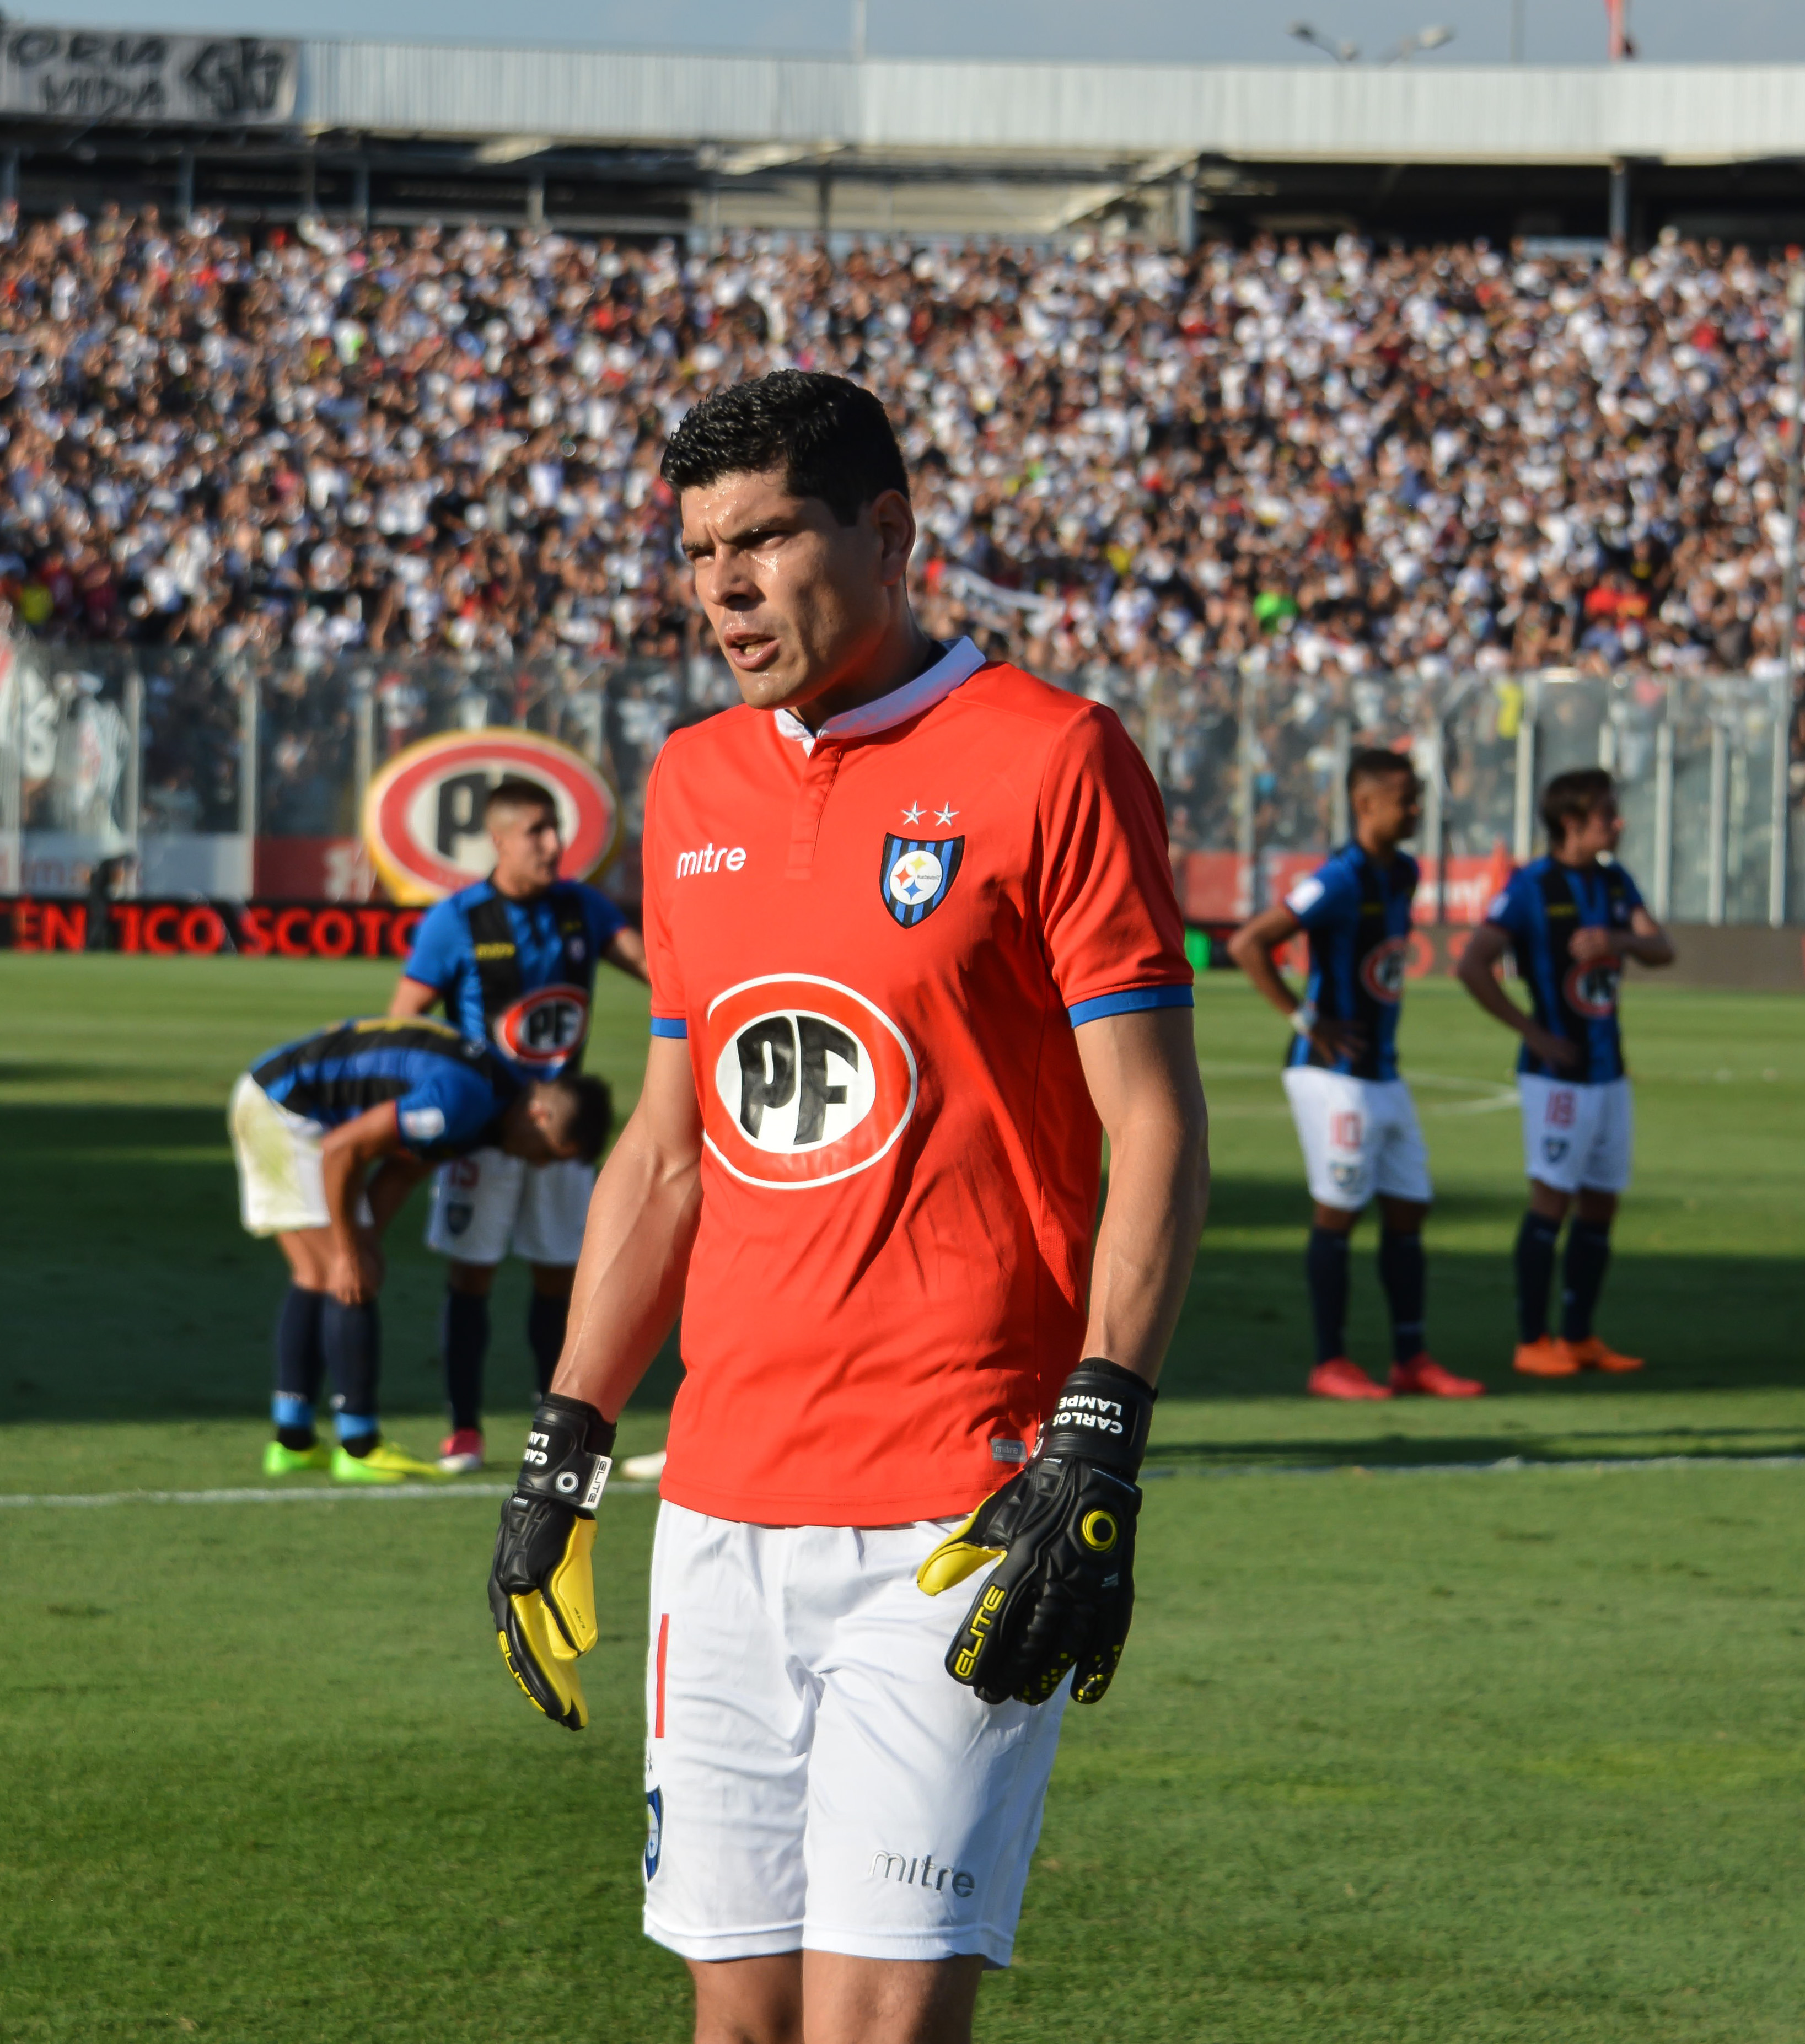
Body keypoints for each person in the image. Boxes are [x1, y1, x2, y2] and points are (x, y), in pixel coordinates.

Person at [481, 370, 1210, 2044]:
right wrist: (567, 1441)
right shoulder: (692, 786)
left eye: (767, 538)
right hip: (723, 1508)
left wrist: (1098, 1441)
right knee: (735, 2028)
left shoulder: (1055, 759)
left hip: (959, 1509)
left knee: (874, 2032)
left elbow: (1154, 1127)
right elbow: (669, 1151)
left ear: (887, 532)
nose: (723, 586)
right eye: (697, 552)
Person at [389, 777, 648, 1473]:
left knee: (560, 1279)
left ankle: (552, 1420)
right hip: (485, 1134)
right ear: (499, 840)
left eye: (555, 829)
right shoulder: (457, 920)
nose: (553, 845)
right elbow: (403, 1021)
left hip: (561, 1135)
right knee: (472, 1275)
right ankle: (465, 1428)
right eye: (536, 831)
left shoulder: (582, 908)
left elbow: (659, 971)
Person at [228, 1014, 610, 1484]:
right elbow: (343, 1150)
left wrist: (364, 1241)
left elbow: (404, 1168)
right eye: (548, 1151)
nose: (539, 1163)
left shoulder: (496, 1099)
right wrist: (350, 1251)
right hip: (285, 1110)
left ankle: (293, 1441)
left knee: (320, 1274)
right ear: (540, 1116)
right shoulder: (466, 1102)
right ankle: (360, 1446)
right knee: (346, 1275)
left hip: (273, 1096)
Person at [1229, 750, 1484, 1401]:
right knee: (1339, 1211)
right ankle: (1331, 1361)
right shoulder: (1338, 877)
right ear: (1366, 804)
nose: (1417, 811)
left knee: (1409, 1209)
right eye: (1406, 799)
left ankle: (1411, 1357)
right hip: (1331, 1073)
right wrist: (1305, 1017)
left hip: (1383, 1072)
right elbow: (1249, 943)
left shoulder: (1402, 871)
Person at [1456, 768, 1674, 1377]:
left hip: (1610, 1072)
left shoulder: (1614, 881)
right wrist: (1533, 1033)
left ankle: (1579, 1336)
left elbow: (1663, 949)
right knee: (1551, 1200)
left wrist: (1619, 943)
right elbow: (1473, 965)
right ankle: (1532, 1341)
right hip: (1557, 1078)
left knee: (1602, 1203)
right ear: (1572, 822)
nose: (1619, 822)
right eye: (1607, 813)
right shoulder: (1530, 886)